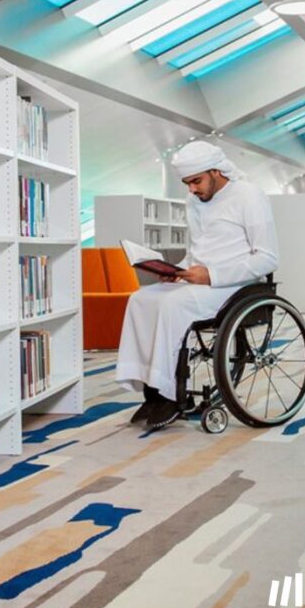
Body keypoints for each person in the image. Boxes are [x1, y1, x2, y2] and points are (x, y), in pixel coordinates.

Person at [115, 139, 280, 429]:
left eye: (196, 181)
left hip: (234, 286)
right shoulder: (195, 201)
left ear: (216, 172)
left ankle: (171, 394)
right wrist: (177, 271)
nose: (192, 189)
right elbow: (197, 251)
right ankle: (151, 390)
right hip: (199, 282)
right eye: (187, 183)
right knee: (141, 298)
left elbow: (267, 258)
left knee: (170, 304)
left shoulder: (249, 196)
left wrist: (212, 275)